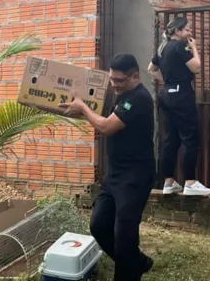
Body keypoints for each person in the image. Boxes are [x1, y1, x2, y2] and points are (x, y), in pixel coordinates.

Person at [59, 54, 155, 280]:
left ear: (135, 77)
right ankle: (137, 262)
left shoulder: (139, 98)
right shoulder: (122, 95)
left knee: (124, 235)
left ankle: (129, 271)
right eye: (111, 79)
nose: (113, 84)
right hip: (115, 175)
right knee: (99, 225)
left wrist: (82, 106)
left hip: (135, 177)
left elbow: (106, 127)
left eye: (119, 80)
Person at [148, 16, 210, 196]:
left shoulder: (162, 48)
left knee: (170, 140)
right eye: (187, 29)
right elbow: (197, 67)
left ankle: (168, 182)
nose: (189, 32)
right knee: (190, 139)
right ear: (177, 31)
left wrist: (167, 81)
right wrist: (194, 48)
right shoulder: (179, 47)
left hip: (166, 95)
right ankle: (190, 182)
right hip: (182, 96)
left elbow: (150, 69)